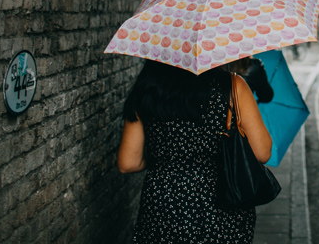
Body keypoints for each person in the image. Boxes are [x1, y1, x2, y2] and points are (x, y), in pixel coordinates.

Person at [117, 59, 273, 243]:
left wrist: (168, 158)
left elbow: (128, 163)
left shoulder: (146, 90)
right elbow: (262, 152)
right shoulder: (232, 86)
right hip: (222, 200)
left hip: (163, 203)